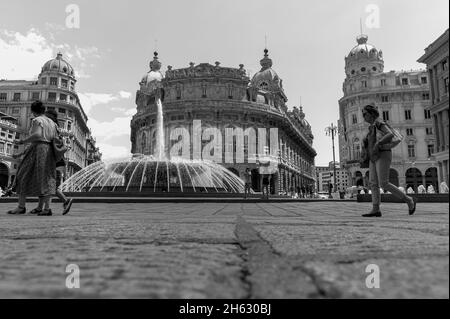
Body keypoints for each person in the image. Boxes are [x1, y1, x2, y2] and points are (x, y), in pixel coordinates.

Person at [361, 104, 417, 217]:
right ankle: (375, 209)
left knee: (384, 183)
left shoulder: (379, 123)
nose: (363, 116)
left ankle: (408, 199)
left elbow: (390, 134)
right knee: (373, 184)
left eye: (365, 114)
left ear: (371, 114)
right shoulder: (371, 127)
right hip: (373, 157)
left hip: (383, 154)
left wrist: (379, 143)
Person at [6, 100, 58, 216]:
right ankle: (46, 208)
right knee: (47, 178)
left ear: (33, 111)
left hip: (38, 149)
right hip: (49, 150)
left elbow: (38, 135)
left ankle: (21, 206)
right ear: (44, 110)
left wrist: (22, 141)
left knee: (22, 175)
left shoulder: (37, 120)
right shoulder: (52, 123)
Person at [44, 110, 73, 215]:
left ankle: (65, 201)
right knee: (51, 187)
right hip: (57, 162)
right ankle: (45, 208)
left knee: (51, 186)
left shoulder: (53, 128)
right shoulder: (54, 128)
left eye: (48, 117)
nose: (45, 119)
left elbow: (55, 145)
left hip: (56, 162)